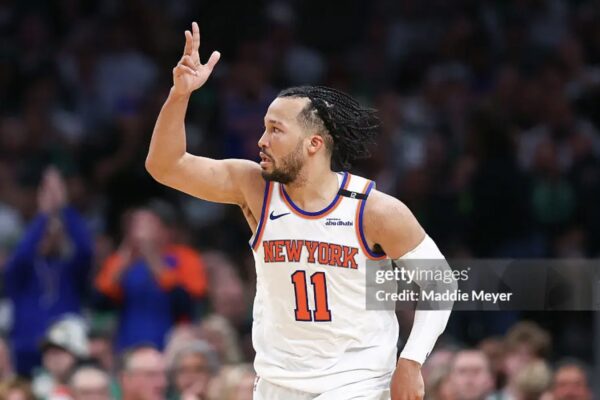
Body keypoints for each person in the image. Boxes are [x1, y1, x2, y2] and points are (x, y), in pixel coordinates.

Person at [146, 21, 452, 400]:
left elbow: (441, 282)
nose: (261, 140)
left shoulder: (375, 210)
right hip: (278, 383)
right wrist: (179, 95)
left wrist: (412, 361)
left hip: (358, 383)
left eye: (275, 130)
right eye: (264, 128)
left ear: (313, 144)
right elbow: (165, 166)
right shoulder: (254, 187)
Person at [4, 167, 93, 376]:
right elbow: (22, 254)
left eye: (56, 230)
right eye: (46, 232)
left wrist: (64, 208)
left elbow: (86, 250)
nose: (51, 235)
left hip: (67, 350)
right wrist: (44, 216)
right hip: (27, 347)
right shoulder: (22, 271)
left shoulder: (71, 270)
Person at [95, 202, 207, 351]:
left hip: (172, 345)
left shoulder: (185, 258)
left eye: (148, 224)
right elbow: (100, 302)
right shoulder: (119, 261)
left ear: (166, 230)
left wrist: (153, 259)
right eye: (136, 225)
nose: (140, 231)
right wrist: (124, 261)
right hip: (127, 344)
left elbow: (188, 305)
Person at [31, 316, 89, 400]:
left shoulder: (93, 385)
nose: (52, 358)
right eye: (47, 352)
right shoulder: (37, 388)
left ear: (77, 355)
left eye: (59, 352)